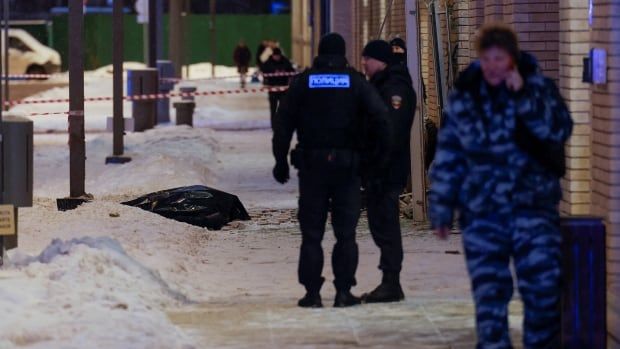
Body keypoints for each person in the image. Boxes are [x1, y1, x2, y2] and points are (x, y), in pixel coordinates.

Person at [429, 24, 573, 349]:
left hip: (533, 211)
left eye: (500, 58)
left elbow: (558, 129)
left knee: (543, 296)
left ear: (512, 59)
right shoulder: (466, 96)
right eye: (487, 58)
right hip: (483, 213)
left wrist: (523, 97)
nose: (493, 65)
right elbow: (449, 153)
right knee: (489, 299)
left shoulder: (538, 88)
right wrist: (441, 206)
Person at [272, 33, 391, 308]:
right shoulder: (356, 83)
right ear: (344, 53)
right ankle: (343, 292)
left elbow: (283, 122)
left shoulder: (303, 82)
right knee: (346, 234)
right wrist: (376, 161)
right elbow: (382, 119)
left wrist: (279, 160)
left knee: (312, 234)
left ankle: (312, 293)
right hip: (348, 169)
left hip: (312, 169)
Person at [359, 40, 416, 303]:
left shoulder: (395, 89)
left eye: (367, 59)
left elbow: (391, 133)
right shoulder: (379, 85)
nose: (363, 64)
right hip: (376, 172)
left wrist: (377, 165)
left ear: (379, 60)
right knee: (378, 225)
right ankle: (388, 280)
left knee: (387, 225)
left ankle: (392, 282)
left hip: (387, 172)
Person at [262, 47, 296, 128]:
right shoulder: (268, 62)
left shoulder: (285, 61)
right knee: (273, 109)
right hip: (272, 89)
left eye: (278, 56)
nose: (276, 58)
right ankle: (273, 125)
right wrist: (274, 71)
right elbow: (264, 70)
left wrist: (285, 72)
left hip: (283, 90)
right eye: (275, 56)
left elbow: (292, 71)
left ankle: (282, 124)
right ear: (273, 55)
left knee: (283, 109)